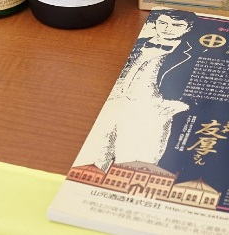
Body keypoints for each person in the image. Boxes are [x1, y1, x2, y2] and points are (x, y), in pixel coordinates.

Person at [75, 11, 196, 171]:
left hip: (151, 108)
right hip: (113, 102)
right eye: (163, 23)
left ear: (188, 28)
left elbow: (200, 85)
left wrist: (179, 104)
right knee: (96, 153)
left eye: (177, 25)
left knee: (136, 159)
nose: (168, 29)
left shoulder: (193, 52)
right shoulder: (138, 41)